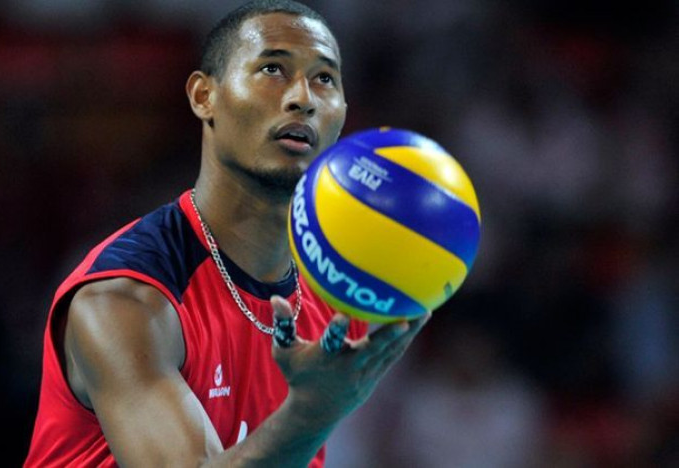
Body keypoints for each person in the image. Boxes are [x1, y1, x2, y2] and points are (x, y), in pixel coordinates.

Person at [25, 1, 430, 466]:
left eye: (324, 78)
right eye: (273, 69)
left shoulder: (337, 287)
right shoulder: (124, 300)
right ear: (204, 96)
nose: (303, 98)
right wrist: (311, 413)